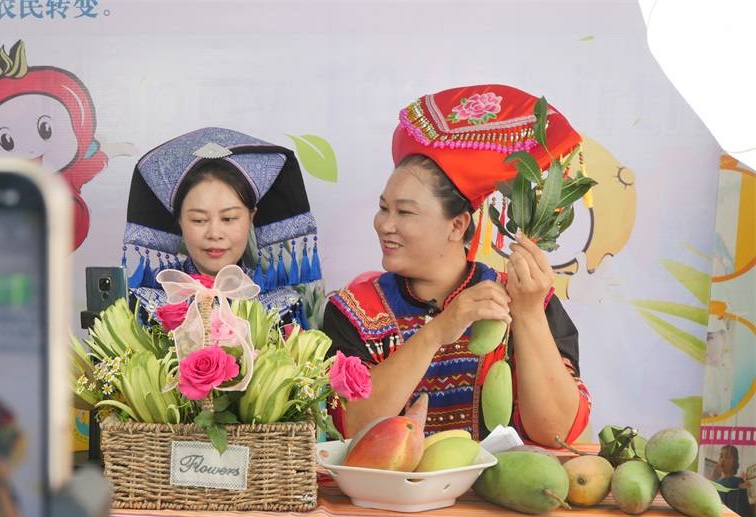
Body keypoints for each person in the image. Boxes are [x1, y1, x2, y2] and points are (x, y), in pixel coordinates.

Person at [323, 85, 591, 446]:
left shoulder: (529, 300)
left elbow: (558, 433)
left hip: (501, 497)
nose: (385, 224)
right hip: (389, 501)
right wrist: (438, 331)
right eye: (384, 208)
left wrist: (527, 313)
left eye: (405, 212)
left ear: (457, 225)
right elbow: (352, 426)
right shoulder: (355, 310)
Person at [122, 127, 326, 328]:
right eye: (199, 220)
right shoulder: (146, 307)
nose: (215, 234)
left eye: (229, 218)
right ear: (179, 221)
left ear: (251, 217)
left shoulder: (281, 308)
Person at [713, 444, 753, 517]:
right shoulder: (715, 482)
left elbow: (744, 509)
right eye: (721, 456)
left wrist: (745, 491)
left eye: (727, 457)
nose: (723, 460)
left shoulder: (739, 482)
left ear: (735, 462)